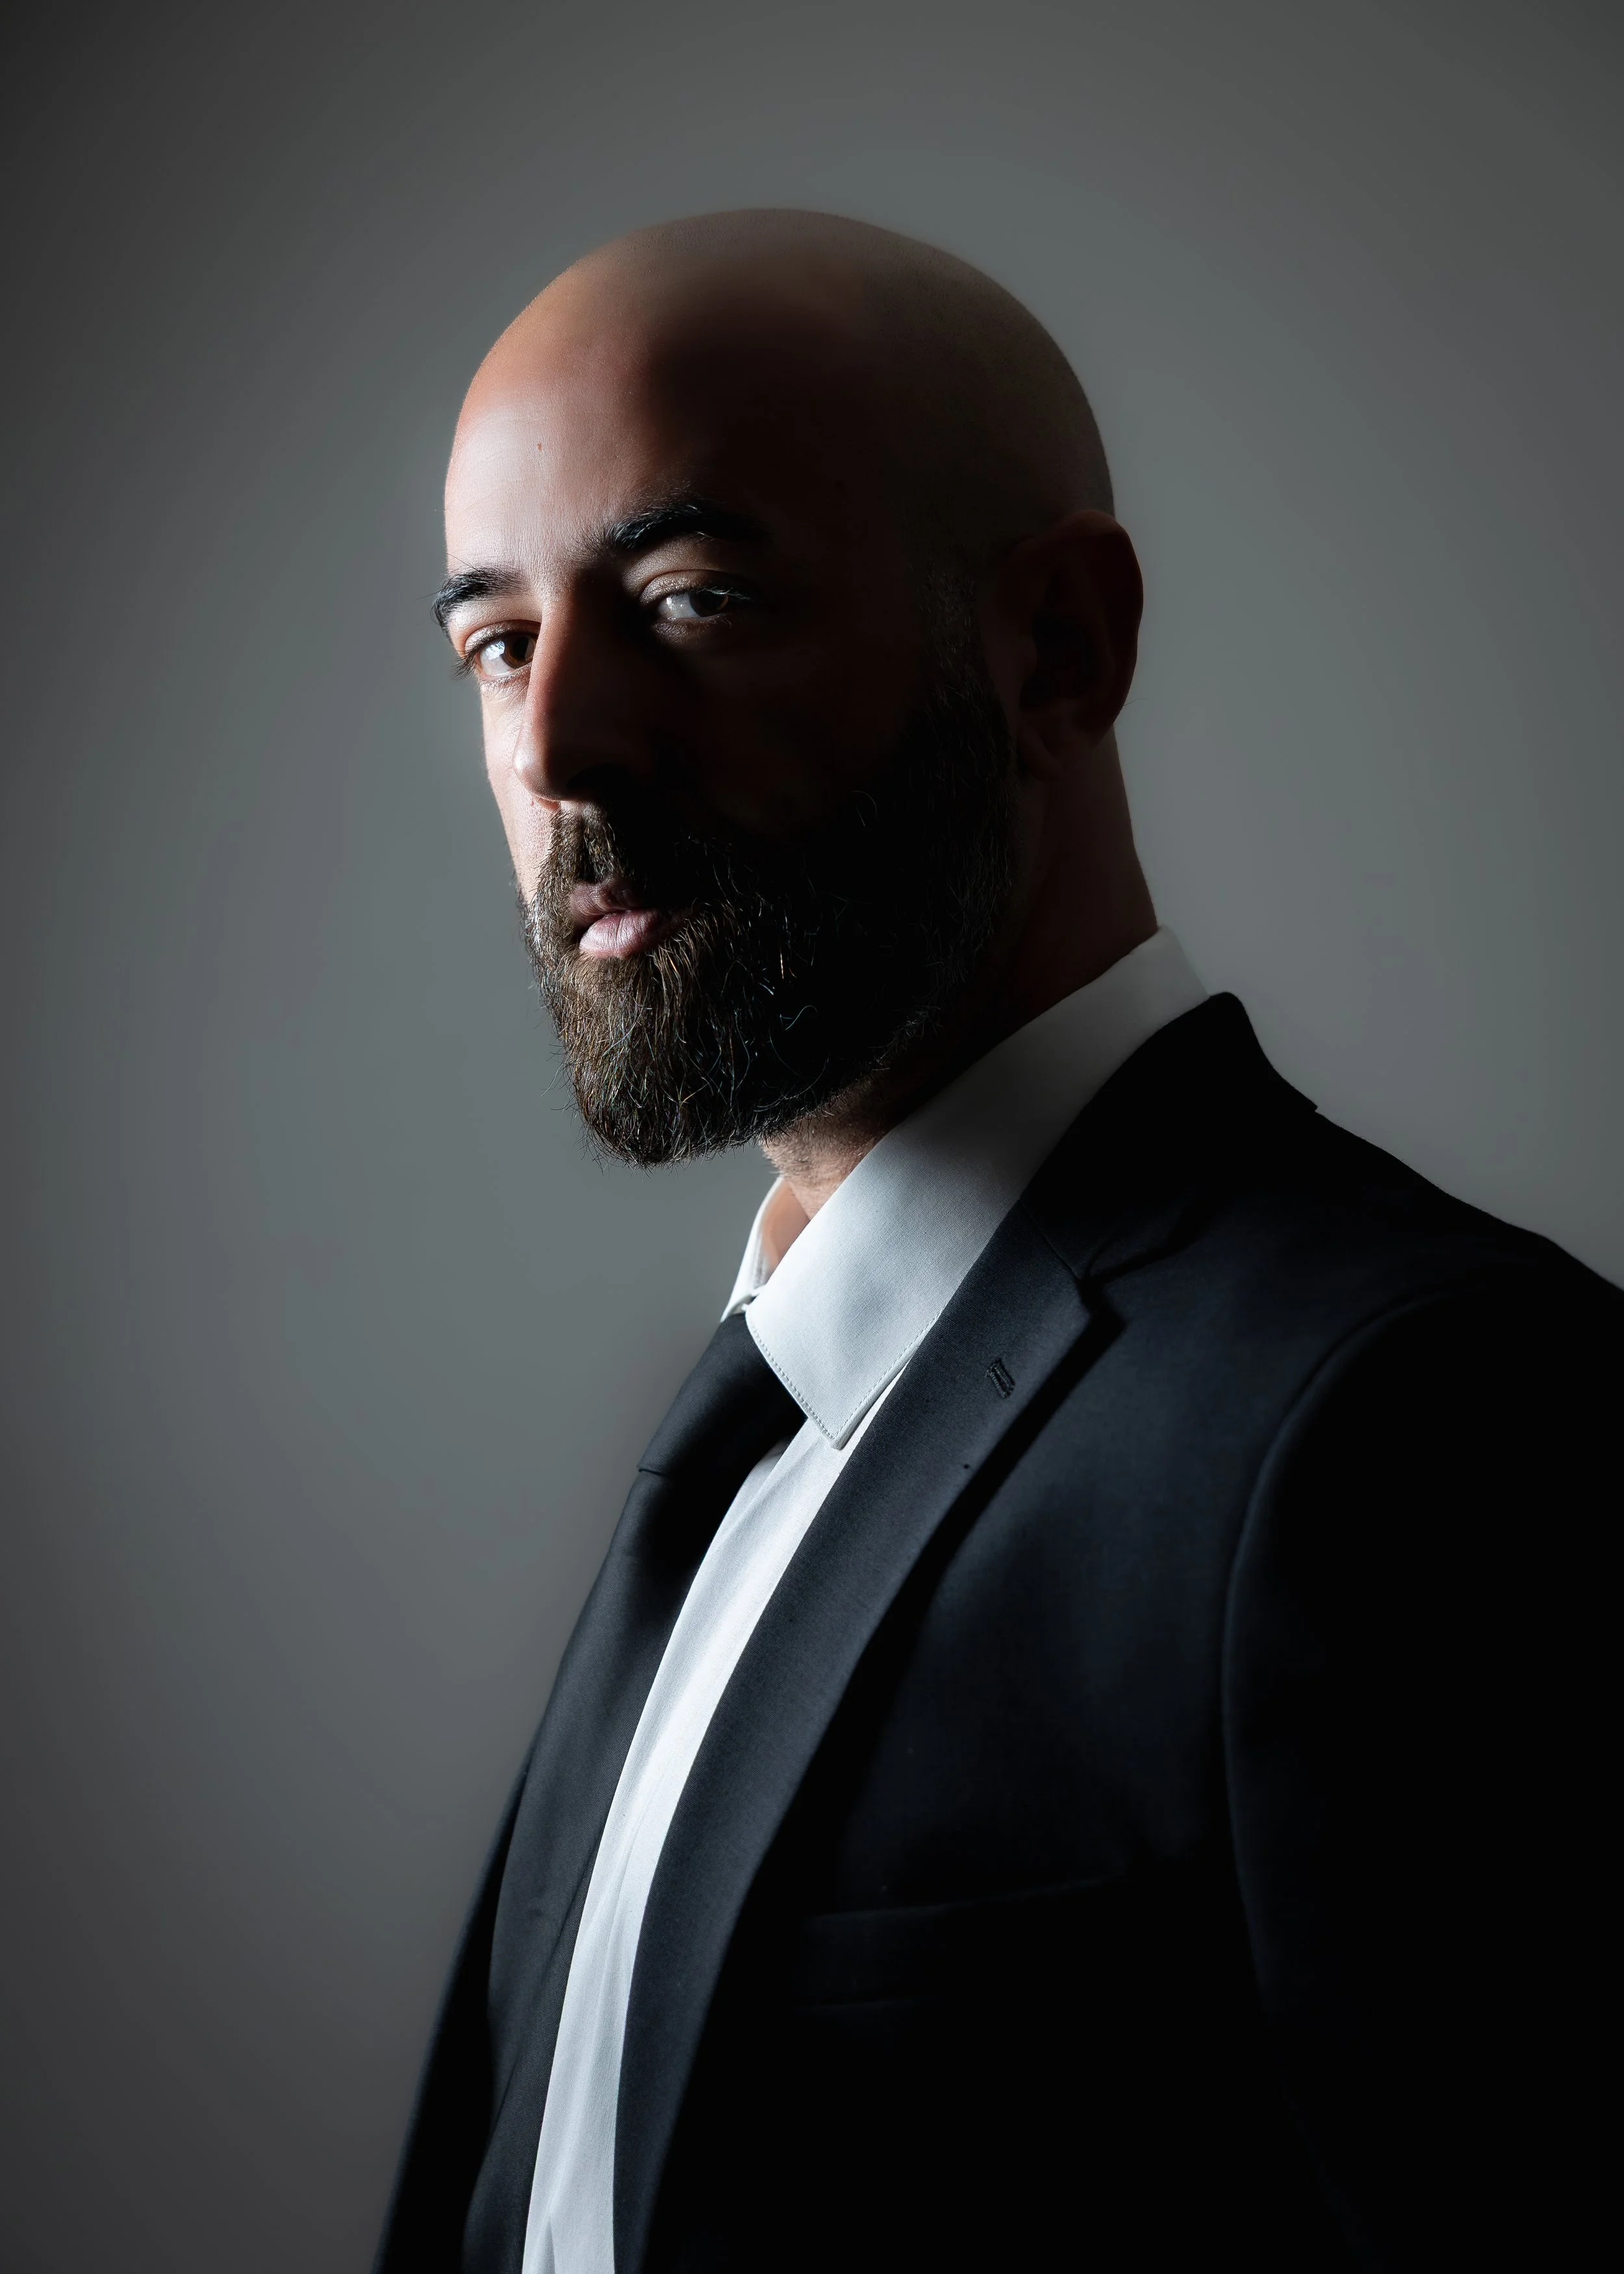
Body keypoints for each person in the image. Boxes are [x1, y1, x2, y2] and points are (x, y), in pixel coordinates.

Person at [377, 211, 1614, 2273]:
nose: (555, 744)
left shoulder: (1416, 1417)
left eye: (688, 600)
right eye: (500, 640)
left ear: (1059, 648)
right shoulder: (754, 1433)